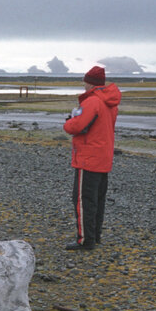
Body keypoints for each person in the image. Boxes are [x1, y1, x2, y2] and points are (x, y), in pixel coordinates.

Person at [62, 66, 121, 251]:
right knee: (96, 200)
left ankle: (85, 240)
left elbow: (76, 126)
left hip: (88, 159)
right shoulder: (108, 103)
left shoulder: (92, 102)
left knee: (83, 200)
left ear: (90, 83)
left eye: (85, 82)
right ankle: (94, 236)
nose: (84, 86)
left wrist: (68, 122)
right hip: (102, 158)